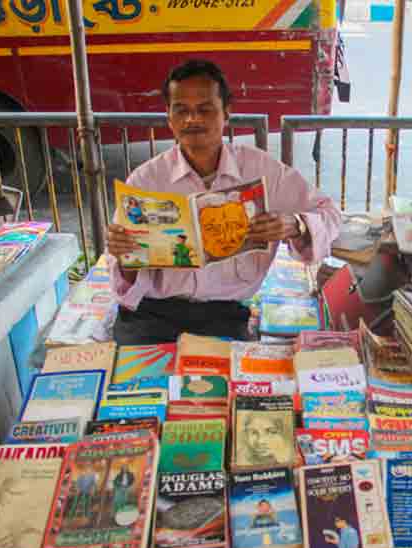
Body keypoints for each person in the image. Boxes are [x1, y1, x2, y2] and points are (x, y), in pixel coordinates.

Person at [107, 59, 340, 345]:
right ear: (169, 117)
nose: (193, 120)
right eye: (182, 110)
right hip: (151, 314)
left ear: (226, 113)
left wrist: (295, 225)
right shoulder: (145, 180)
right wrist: (123, 256)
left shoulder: (263, 171)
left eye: (205, 109)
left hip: (224, 315)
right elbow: (124, 278)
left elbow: (330, 214)